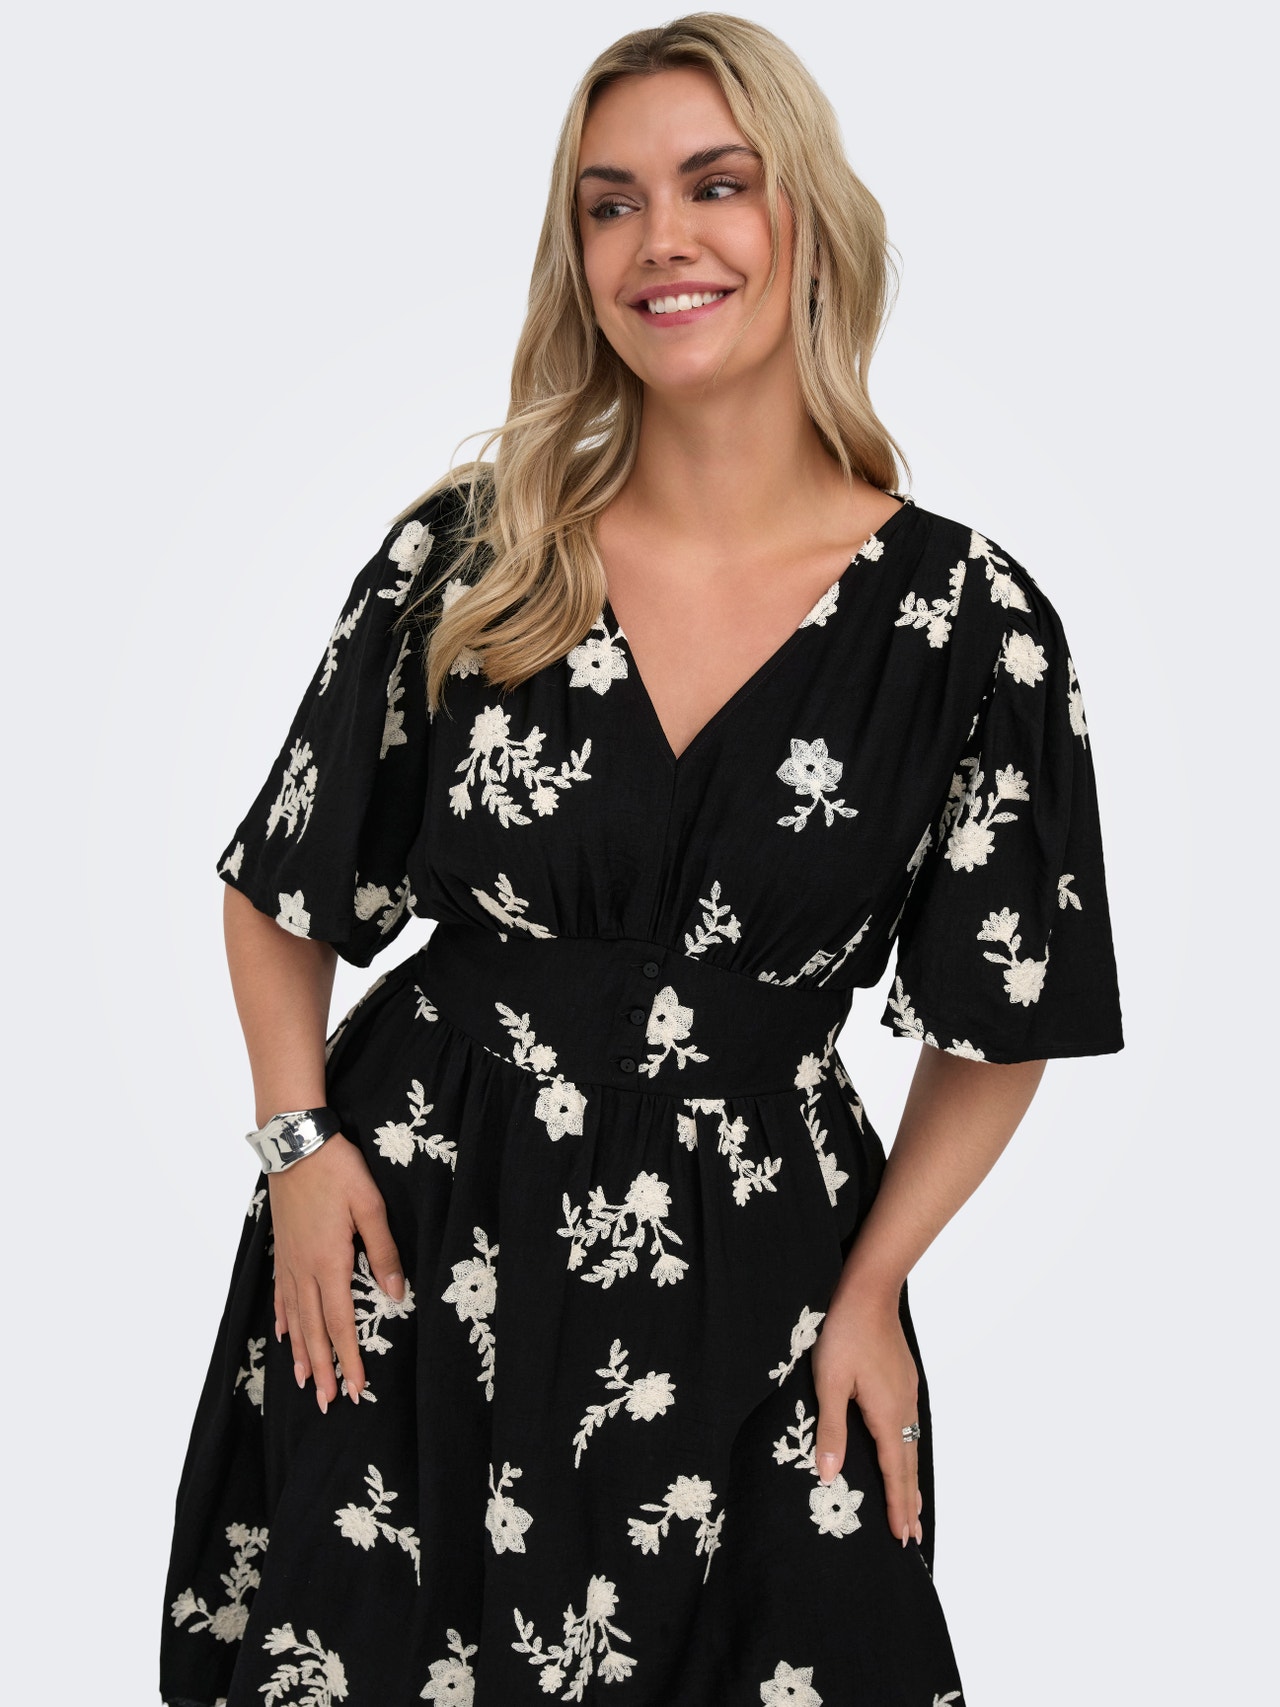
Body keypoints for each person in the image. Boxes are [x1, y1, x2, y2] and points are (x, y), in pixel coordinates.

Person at [160, 14, 1124, 1706]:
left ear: (808, 221)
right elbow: (283, 882)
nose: (660, 239)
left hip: (762, 1274)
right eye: (609, 204)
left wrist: (874, 1290)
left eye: (714, 186)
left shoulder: (970, 627)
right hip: (417, 1231)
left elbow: (1005, 1017)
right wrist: (299, 1147)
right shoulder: (476, 556)